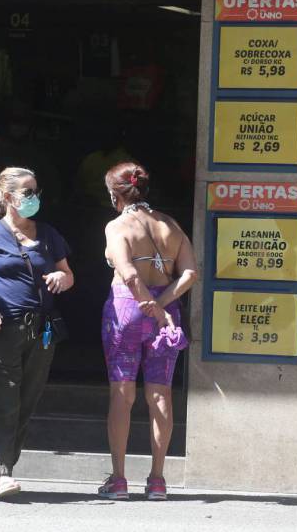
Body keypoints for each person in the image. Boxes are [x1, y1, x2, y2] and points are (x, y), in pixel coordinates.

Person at [0, 167, 74, 499]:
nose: (34, 198)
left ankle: (1, 469)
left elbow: (69, 275)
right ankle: (4, 471)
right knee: (4, 398)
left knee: (27, 400)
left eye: (36, 191)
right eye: (27, 192)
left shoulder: (49, 234)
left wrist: (61, 280)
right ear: (7, 197)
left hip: (41, 329)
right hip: (2, 327)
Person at [99, 162, 197, 500]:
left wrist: (147, 305)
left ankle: (119, 479)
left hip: (127, 309)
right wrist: (162, 304)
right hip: (167, 313)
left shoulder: (118, 226)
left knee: (122, 392)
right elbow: (190, 274)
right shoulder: (171, 225)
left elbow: (127, 273)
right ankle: (157, 480)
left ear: (114, 194)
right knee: (161, 393)